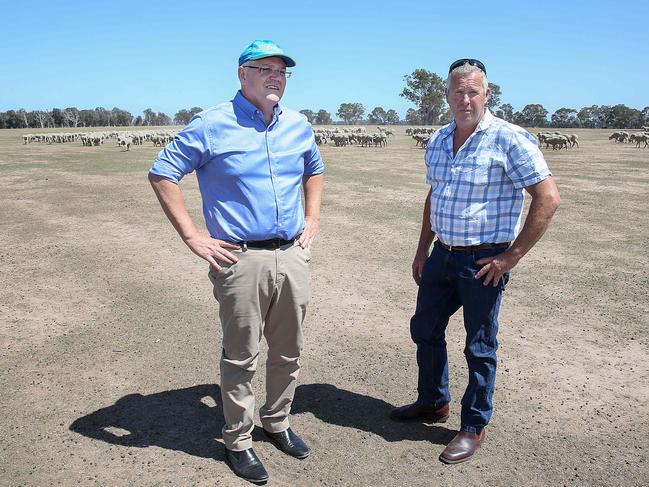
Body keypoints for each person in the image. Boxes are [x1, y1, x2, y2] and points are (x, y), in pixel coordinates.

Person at [148, 40, 324, 483]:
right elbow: (162, 172)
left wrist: (313, 218)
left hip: (291, 254)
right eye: (264, 69)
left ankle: (278, 420)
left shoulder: (298, 125)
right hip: (240, 260)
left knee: (289, 350)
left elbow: (314, 169)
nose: (274, 77)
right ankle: (239, 440)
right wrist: (193, 235)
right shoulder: (211, 124)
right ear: (241, 74)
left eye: (281, 71)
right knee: (242, 355)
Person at [390, 58, 560, 464]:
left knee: (479, 345)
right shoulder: (436, 140)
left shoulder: (510, 139)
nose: (464, 99)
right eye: (457, 91)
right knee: (424, 329)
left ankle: (473, 425)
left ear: (487, 94)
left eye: (473, 91)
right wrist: (421, 249)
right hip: (441, 255)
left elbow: (548, 198)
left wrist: (510, 257)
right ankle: (433, 401)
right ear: (446, 95)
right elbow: (436, 196)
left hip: (483, 261)